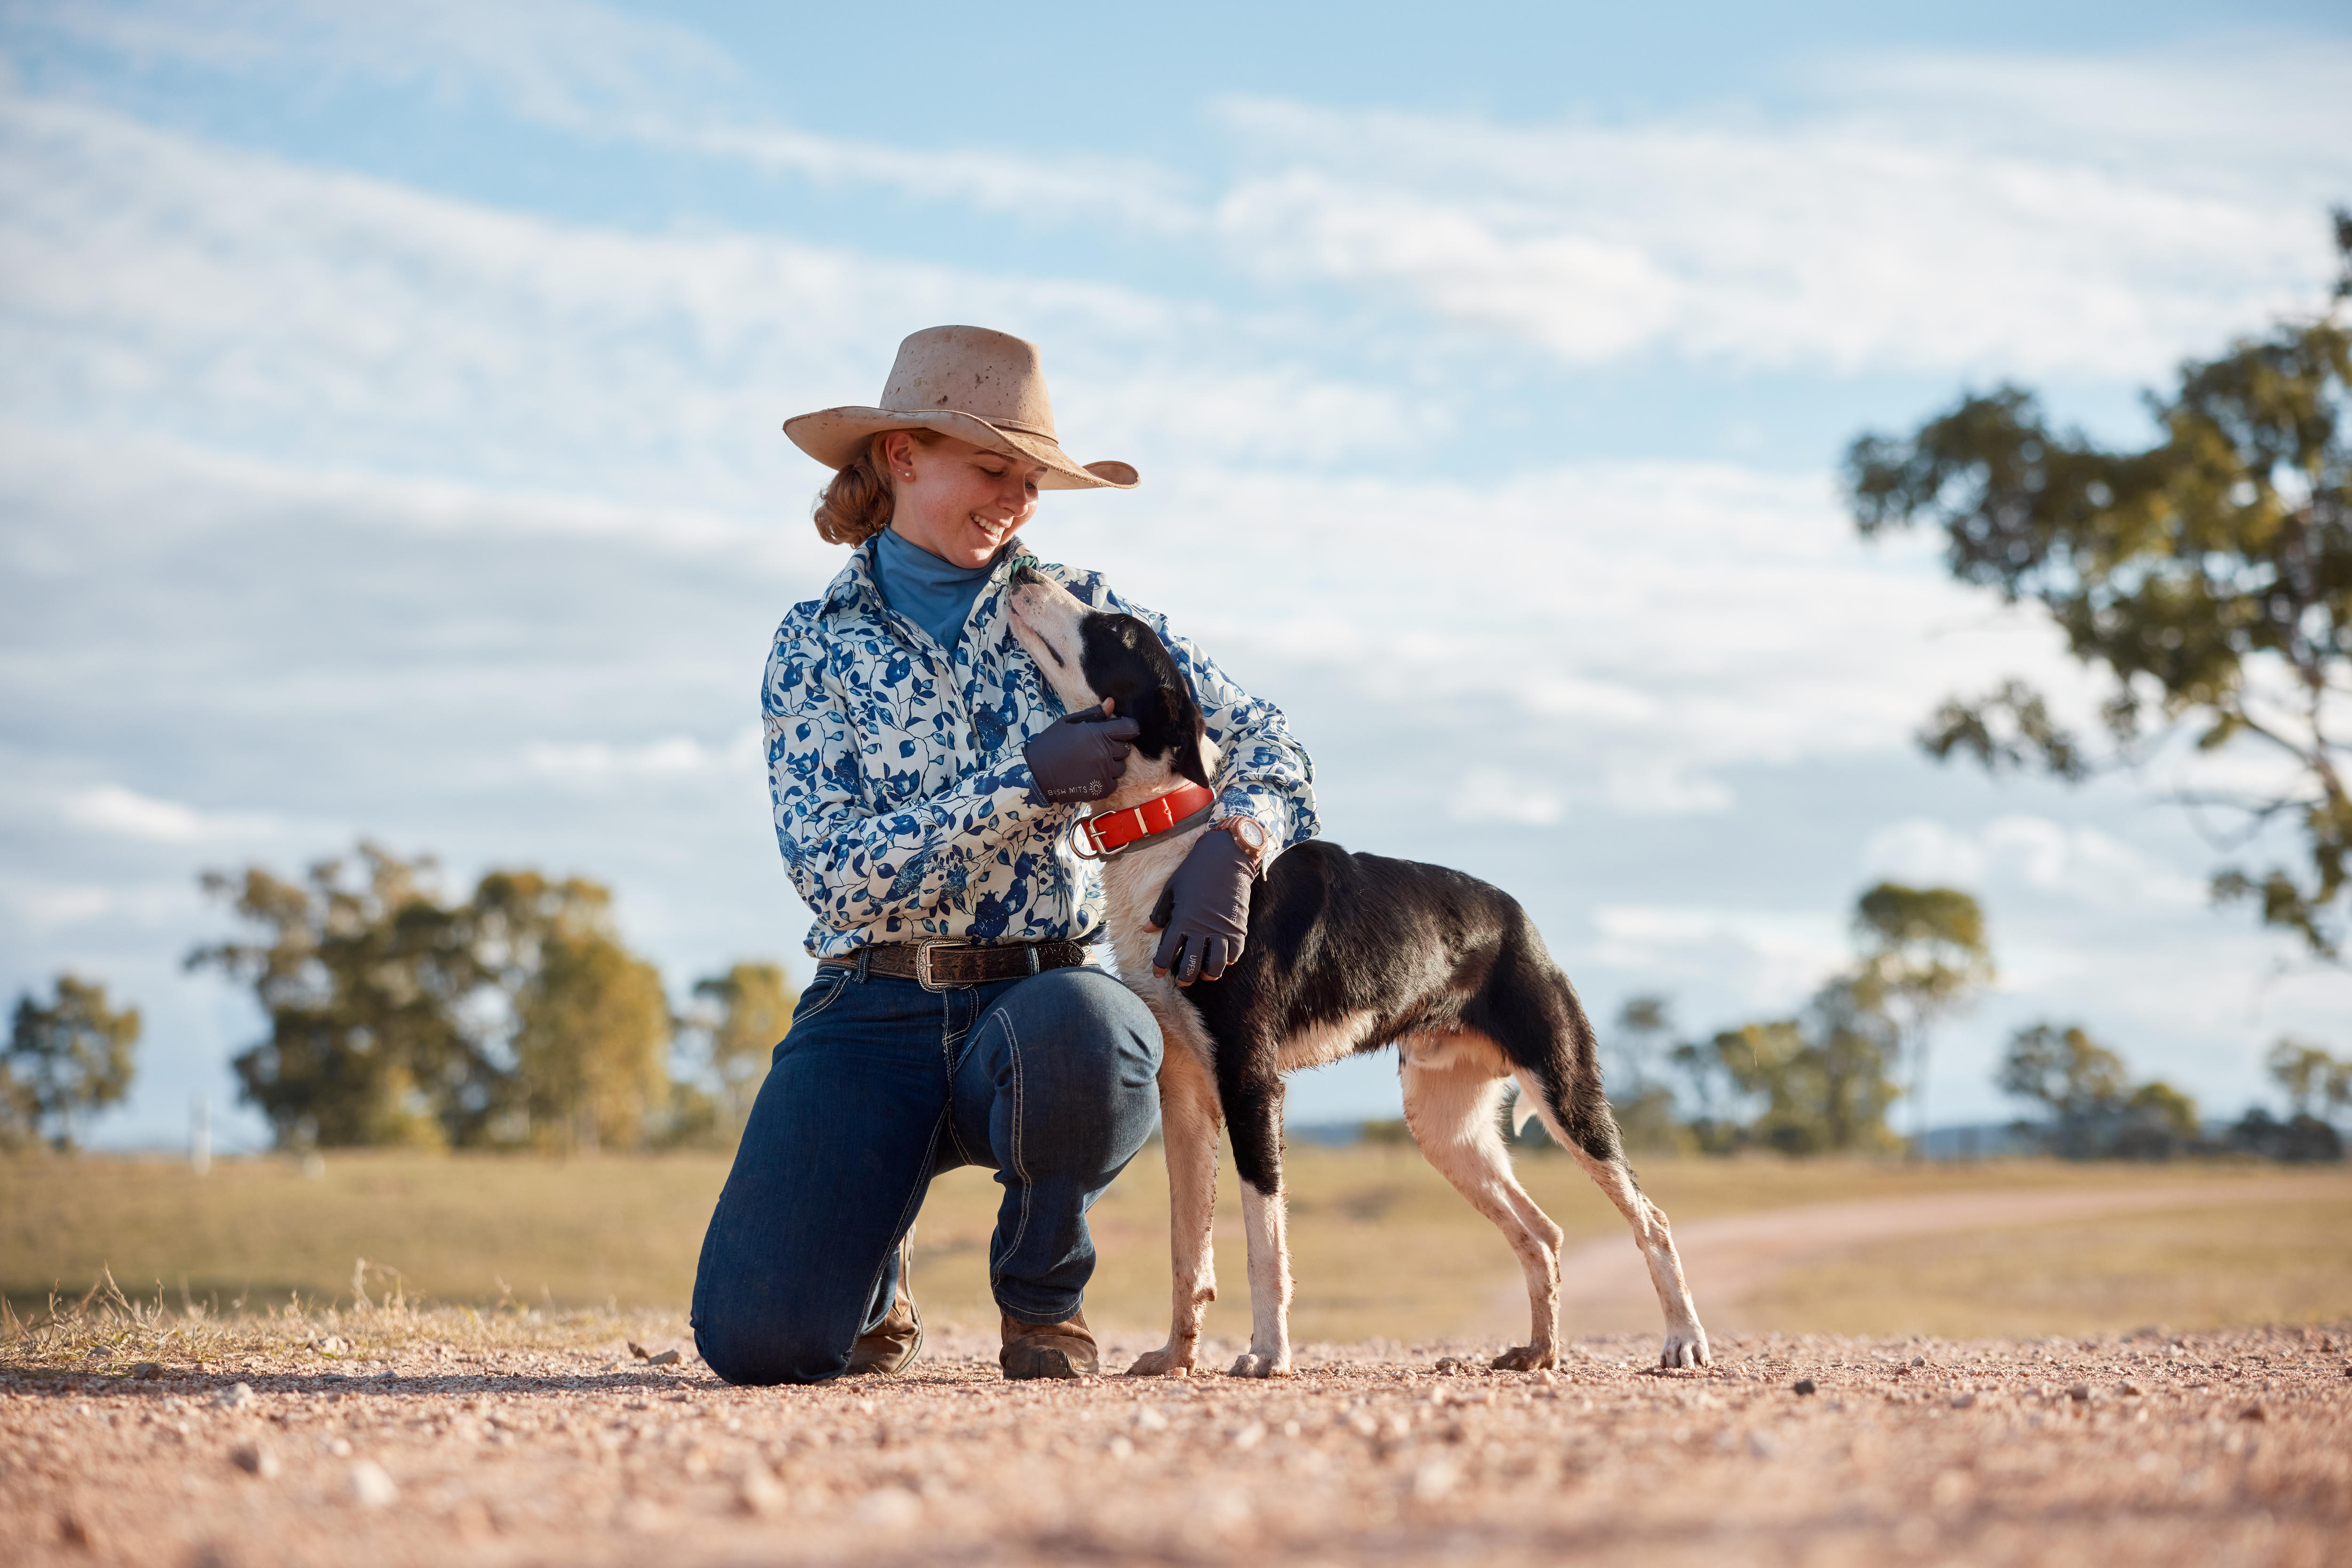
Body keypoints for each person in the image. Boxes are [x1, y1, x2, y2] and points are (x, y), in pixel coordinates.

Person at [690, 326, 1318, 1385]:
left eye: (1031, 481)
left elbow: (1273, 740)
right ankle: (872, 1270)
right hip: (869, 1007)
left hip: (1043, 1005)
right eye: (993, 469)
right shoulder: (812, 642)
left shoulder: (1086, 610)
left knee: (1094, 1029)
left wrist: (1241, 840)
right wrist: (1021, 785)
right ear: (902, 456)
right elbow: (830, 870)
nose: (1015, 500)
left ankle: (1042, 1303)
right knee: (760, 1342)